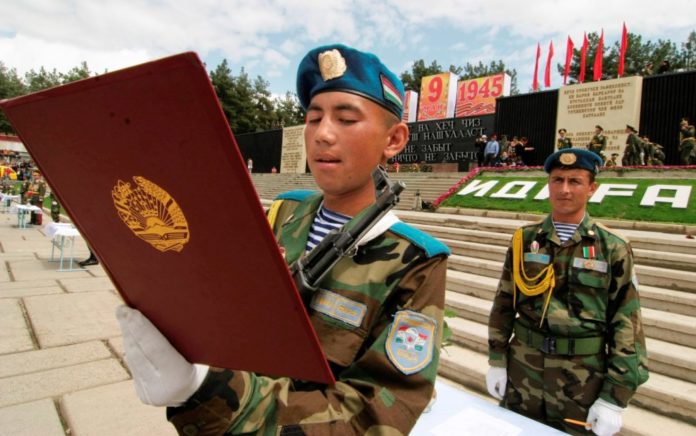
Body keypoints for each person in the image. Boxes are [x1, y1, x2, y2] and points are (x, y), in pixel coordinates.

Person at [117, 43, 450, 435]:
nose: (322, 134)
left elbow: (375, 417)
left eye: (346, 119)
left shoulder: (416, 263)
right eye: (313, 118)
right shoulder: (285, 212)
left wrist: (210, 391)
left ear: (393, 140)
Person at [486, 148, 649, 435]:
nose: (564, 189)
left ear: (591, 188)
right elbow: (504, 301)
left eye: (574, 181)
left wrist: (615, 398)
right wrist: (497, 359)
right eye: (557, 180)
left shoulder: (612, 246)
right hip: (524, 371)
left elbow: (627, 322)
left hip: (582, 381)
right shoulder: (525, 239)